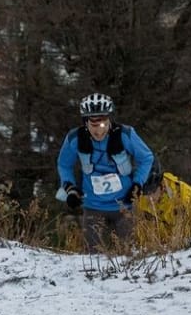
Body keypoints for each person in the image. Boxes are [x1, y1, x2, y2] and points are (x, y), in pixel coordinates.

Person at [57, 92, 155, 253]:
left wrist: (138, 184)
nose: (98, 131)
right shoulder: (75, 138)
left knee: (127, 253)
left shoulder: (125, 135)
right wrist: (70, 188)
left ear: (109, 120)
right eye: (93, 125)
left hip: (124, 205)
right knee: (92, 255)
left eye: (102, 124)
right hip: (93, 206)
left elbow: (146, 158)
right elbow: (63, 164)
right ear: (85, 123)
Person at [135, 171, 191, 247]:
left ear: (161, 186)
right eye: (146, 194)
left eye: (152, 192)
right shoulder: (143, 200)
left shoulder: (183, 196)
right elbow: (144, 229)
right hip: (165, 247)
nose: (150, 198)